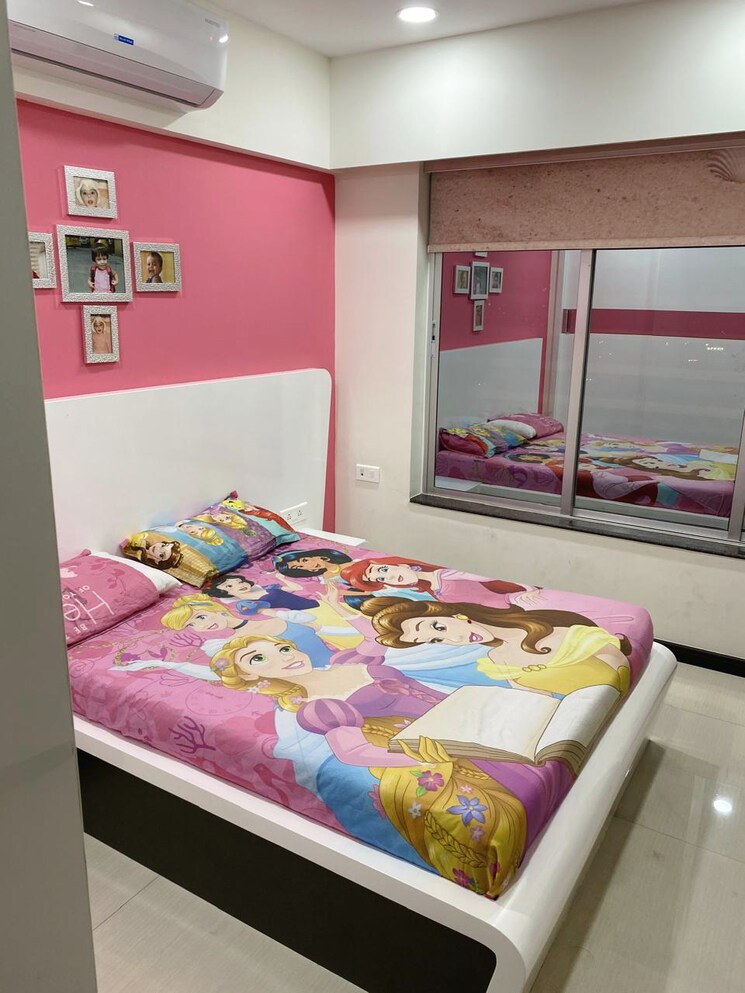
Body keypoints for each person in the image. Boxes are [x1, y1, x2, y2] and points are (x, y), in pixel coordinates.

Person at [210, 632, 529, 896]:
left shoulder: (345, 662)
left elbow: (378, 636)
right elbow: (354, 752)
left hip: (468, 716)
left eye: (282, 648)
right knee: (507, 787)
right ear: (250, 676)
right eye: (258, 659)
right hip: (448, 743)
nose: (284, 657)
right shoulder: (319, 706)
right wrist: (418, 757)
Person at [361, 597, 632, 696]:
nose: (454, 639)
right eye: (436, 640)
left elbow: (614, 663)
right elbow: (538, 702)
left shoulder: (557, 631)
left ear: (452, 613)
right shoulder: (495, 661)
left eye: (439, 628)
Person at [339, 555, 538, 607]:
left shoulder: (445, 576)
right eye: (381, 579)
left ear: (399, 564)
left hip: (523, 600)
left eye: (383, 570)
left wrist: (527, 588)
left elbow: (489, 577)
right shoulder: (434, 592)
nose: (389, 577)